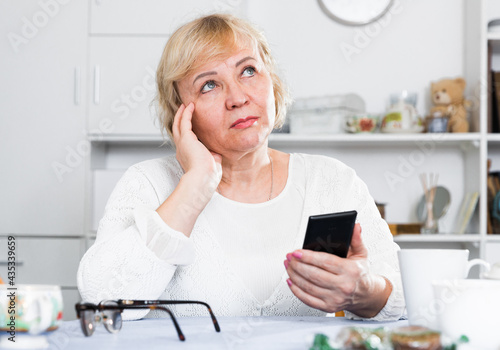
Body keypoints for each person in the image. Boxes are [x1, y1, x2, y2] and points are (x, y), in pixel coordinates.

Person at [77, 13, 405, 321]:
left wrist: (364, 292)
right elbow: (104, 303)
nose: (237, 97)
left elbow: (400, 302)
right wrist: (194, 186)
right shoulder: (147, 184)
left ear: (271, 82)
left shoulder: (333, 181)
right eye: (209, 84)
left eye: (248, 71)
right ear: (182, 113)